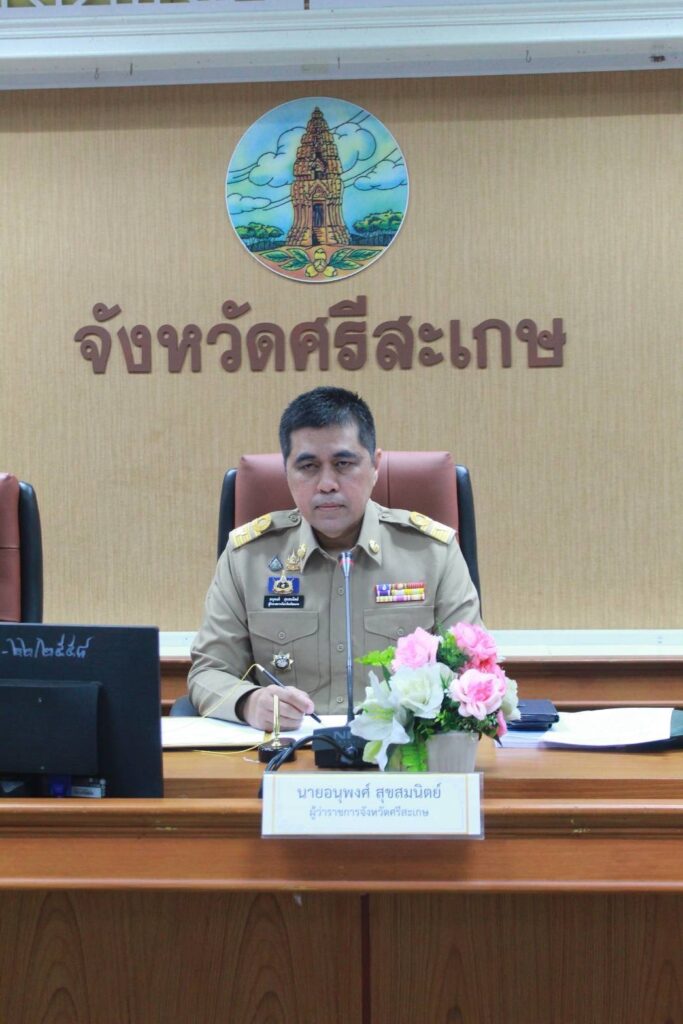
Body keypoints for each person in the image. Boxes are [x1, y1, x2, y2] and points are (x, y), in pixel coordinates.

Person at [188, 386, 482, 730]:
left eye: (343, 464)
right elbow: (209, 671)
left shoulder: (433, 553)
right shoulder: (247, 558)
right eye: (308, 466)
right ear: (286, 472)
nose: (326, 484)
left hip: (404, 752)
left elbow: (473, 670)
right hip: (288, 752)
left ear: (375, 465)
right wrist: (249, 703)